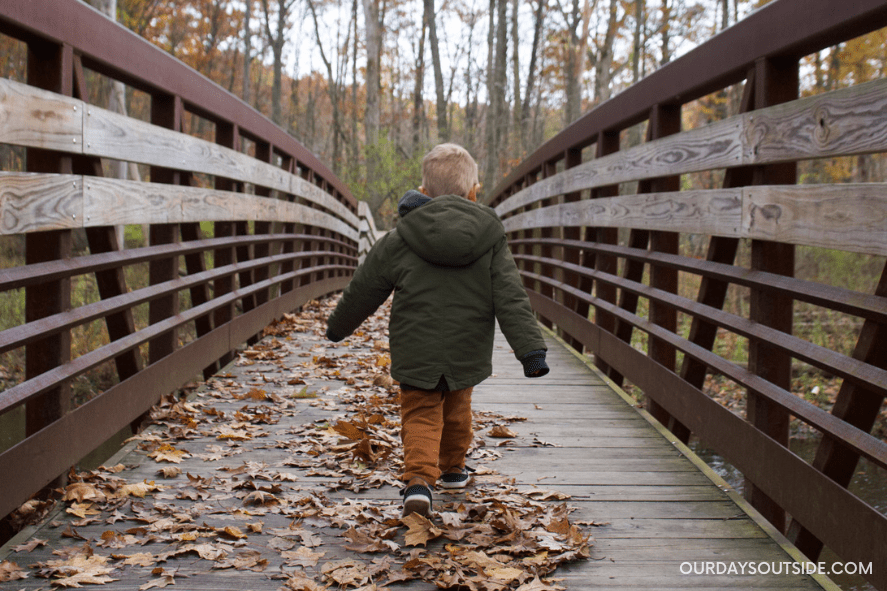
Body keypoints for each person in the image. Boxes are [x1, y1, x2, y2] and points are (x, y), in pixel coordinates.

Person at [325, 143, 549, 517]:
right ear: (474, 191)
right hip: (467, 346)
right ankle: (454, 470)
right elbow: (511, 297)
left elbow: (364, 289)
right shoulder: (490, 238)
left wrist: (338, 327)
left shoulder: (400, 237)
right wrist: (530, 351)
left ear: (423, 193)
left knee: (420, 413)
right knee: (458, 409)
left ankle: (418, 482)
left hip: (416, 346)